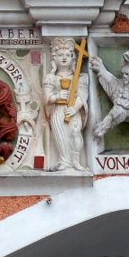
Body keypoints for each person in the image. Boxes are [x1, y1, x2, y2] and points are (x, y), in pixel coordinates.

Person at [43, 38, 88, 171]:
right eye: (60, 55)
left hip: (73, 111)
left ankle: (76, 161)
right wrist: (57, 97)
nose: (64, 58)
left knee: (75, 133)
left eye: (67, 55)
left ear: (73, 59)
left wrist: (74, 109)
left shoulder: (79, 78)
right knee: (60, 136)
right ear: (54, 59)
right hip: (58, 111)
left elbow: (82, 95)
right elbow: (46, 97)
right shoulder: (50, 78)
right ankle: (64, 161)